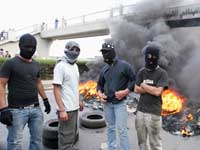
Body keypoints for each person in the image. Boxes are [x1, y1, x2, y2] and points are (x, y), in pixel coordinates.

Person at [0, 33, 51, 150]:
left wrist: (45, 99)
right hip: (16, 110)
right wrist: (3, 109)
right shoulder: (10, 63)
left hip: (36, 110)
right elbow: (1, 85)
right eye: (27, 47)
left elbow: (38, 82)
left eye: (33, 47)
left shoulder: (36, 64)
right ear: (20, 46)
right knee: (15, 143)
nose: (30, 49)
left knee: (37, 141)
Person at [97, 41, 136, 150]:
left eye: (107, 52)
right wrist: (100, 94)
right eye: (103, 52)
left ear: (113, 52)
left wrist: (126, 91)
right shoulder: (104, 69)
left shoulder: (125, 66)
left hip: (120, 104)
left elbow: (134, 80)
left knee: (122, 129)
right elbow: (99, 85)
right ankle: (111, 148)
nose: (104, 55)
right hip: (107, 104)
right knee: (110, 128)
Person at [134, 45, 168, 150]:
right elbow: (135, 89)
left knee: (155, 144)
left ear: (157, 57)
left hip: (154, 113)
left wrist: (143, 85)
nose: (150, 58)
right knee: (142, 143)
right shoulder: (141, 72)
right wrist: (151, 89)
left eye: (152, 56)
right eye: (147, 56)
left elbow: (158, 92)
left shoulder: (162, 73)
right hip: (140, 112)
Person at [53, 41, 83, 150]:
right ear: (66, 50)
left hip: (74, 108)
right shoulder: (60, 66)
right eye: (72, 49)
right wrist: (61, 109)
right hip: (66, 109)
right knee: (65, 139)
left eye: (77, 50)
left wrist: (79, 101)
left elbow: (74, 86)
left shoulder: (75, 66)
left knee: (72, 136)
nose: (75, 52)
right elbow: (56, 88)